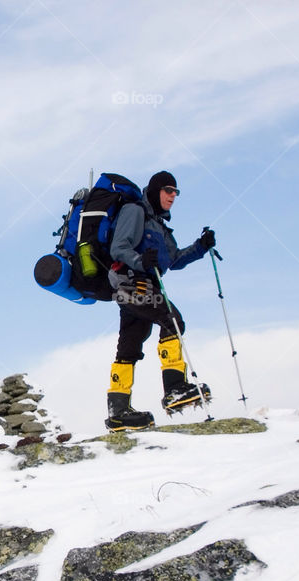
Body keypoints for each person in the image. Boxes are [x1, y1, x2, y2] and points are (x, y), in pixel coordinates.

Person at [104, 170, 216, 431]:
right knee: (172, 320)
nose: (173, 196)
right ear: (155, 191)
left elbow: (173, 259)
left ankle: (118, 412)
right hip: (133, 282)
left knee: (130, 344)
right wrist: (140, 260)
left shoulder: (160, 225)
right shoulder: (135, 211)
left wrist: (200, 247)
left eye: (176, 192)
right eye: (168, 190)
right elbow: (119, 247)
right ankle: (175, 389)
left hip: (140, 285)